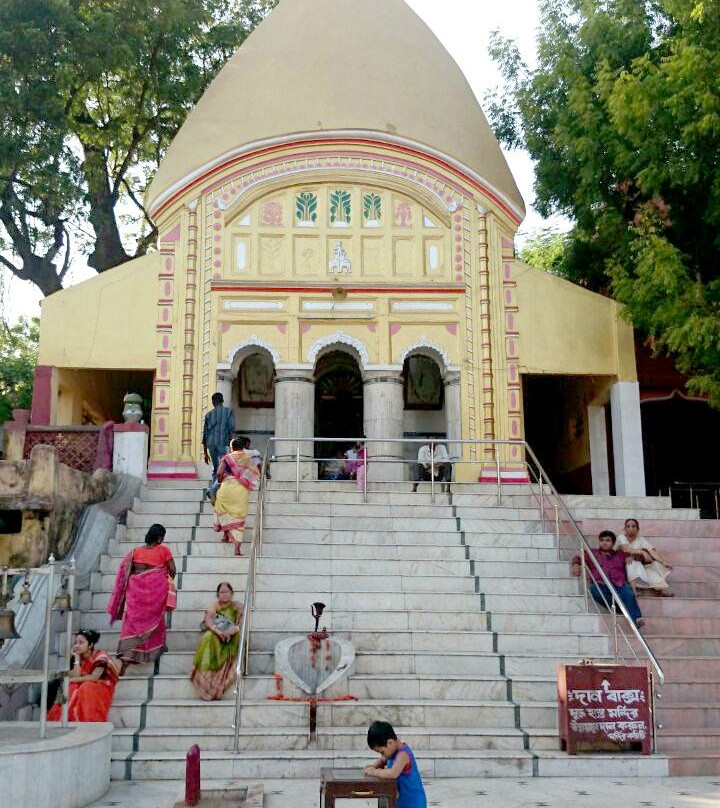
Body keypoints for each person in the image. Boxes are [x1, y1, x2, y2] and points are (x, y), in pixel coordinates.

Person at [107, 523, 176, 673]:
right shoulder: (164, 550)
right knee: (157, 621)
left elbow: (125, 575)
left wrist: (141, 580)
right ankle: (157, 648)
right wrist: (159, 580)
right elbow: (173, 570)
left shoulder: (134, 552)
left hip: (135, 596)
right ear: (159, 538)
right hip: (155, 595)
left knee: (132, 625)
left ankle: (125, 662)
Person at [572, 530, 644, 627]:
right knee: (594, 591)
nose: (604, 542)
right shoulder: (592, 553)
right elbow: (578, 557)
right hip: (601, 584)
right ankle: (622, 608)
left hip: (619, 584)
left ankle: (636, 618)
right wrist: (576, 565)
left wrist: (633, 557)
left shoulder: (620, 554)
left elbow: (641, 559)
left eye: (607, 540)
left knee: (628, 592)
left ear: (613, 543)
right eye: (602, 540)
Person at [48, 629, 119, 722]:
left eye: (81, 643)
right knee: (70, 687)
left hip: (102, 686)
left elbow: (94, 677)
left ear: (91, 645)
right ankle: (62, 719)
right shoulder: (79, 657)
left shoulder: (101, 657)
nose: (77, 645)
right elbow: (76, 675)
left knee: (86, 687)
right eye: (76, 642)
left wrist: (73, 680)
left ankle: (89, 720)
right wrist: (76, 658)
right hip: (83, 683)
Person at [190, 582, 243, 701]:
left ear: (232, 593)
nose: (224, 595)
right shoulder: (215, 605)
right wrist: (219, 632)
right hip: (218, 633)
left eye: (226, 592)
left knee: (237, 636)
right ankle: (206, 676)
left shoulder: (238, 606)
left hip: (233, 634)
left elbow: (241, 623)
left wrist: (232, 631)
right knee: (208, 636)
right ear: (217, 594)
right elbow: (208, 619)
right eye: (221, 592)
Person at [213, 437, 261, 556]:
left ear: (232, 447)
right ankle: (237, 549)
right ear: (243, 447)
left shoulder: (227, 458)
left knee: (223, 510)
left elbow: (219, 473)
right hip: (241, 491)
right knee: (238, 517)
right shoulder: (249, 458)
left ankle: (225, 535)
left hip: (227, 488)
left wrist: (219, 482)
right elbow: (258, 468)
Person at [363, 720, 427, 808]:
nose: (382, 755)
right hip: (401, 802)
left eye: (382, 752)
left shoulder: (403, 755)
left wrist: (374, 771)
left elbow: (393, 773)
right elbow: (382, 760)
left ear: (390, 743)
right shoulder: (392, 752)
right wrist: (373, 766)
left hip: (413, 803)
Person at [615, 518, 673, 596]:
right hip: (620, 566)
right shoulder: (621, 537)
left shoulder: (641, 539)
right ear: (625, 529)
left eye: (633, 526)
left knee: (655, 566)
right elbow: (626, 549)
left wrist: (663, 562)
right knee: (632, 562)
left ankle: (659, 590)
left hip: (637, 565)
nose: (631, 528)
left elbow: (652, 551)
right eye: (628, 526)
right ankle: (634, 590)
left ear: (638, 529)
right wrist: (642, 552)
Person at [203, 392, 236, 499]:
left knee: (216, 468)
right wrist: (232, 446)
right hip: (223, 442)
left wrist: (205, 453)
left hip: (210, 443)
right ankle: (213, 490)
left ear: (213, 402)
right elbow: (231, 429)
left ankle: (214, 493)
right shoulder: (228, 412)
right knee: (224, 468)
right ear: (222, 401)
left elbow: (205, 433)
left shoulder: (208, 414)